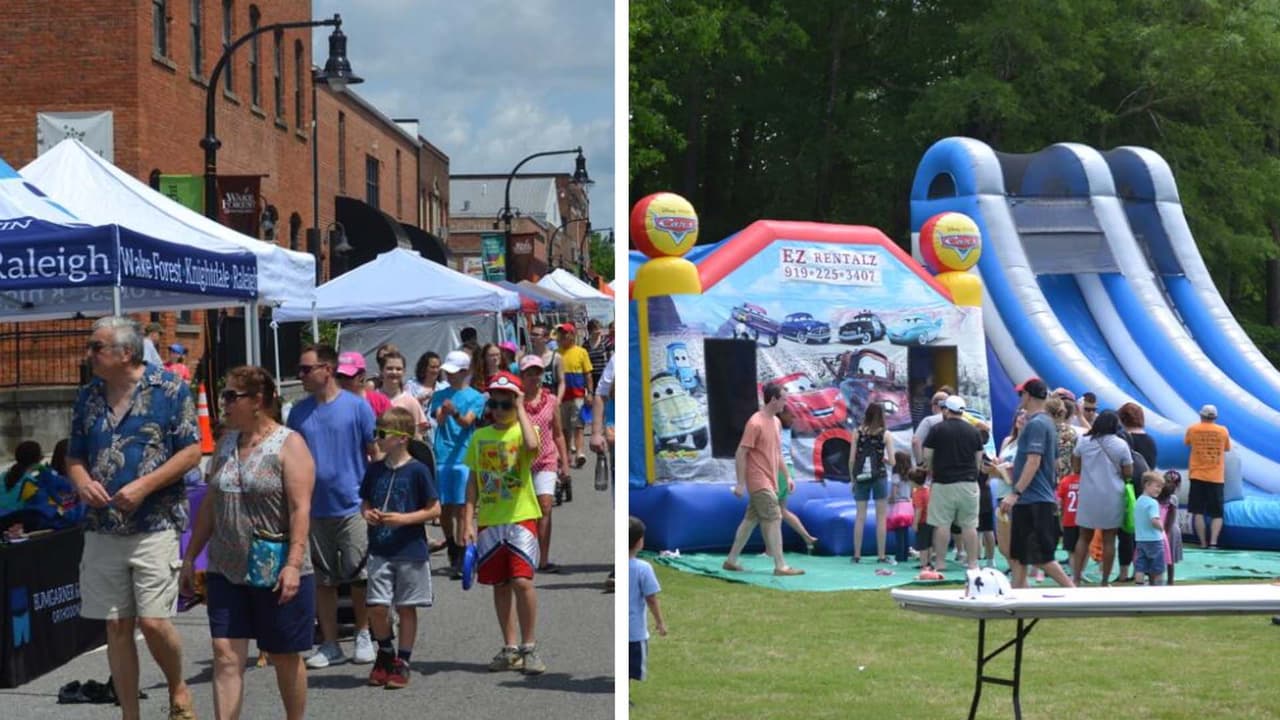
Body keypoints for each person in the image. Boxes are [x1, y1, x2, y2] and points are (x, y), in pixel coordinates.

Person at [68, 316, 200, 720]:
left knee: (154, 621)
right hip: (102, 526)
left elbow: (191, 452)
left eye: (96, 347)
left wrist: (145, 486)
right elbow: (74, 455)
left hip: (154, 523)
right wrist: (81, 482)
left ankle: (177, 686)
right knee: (116, 626)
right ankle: (130, 714)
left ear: (126, 353)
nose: (88, 353)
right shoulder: (88, 396)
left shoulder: (171, 389)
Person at [182, 366, 315, 720]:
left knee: (284, 656)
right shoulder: (225, 443)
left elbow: (301, 508)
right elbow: (210, 504)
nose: (221, 403)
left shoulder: (290, 444)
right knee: (224, 653)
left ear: (257, 401)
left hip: (278, 566)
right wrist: (191, 556)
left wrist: (293, 564)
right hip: (226, 568)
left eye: (229, 396)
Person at [287, 344, 378, 669]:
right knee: (322, 580)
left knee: (358, 575)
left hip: (353, 506)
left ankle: (363, 634)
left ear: (327, 369)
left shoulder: (357, 408)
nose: (301, 375)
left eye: (305, 369)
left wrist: (375, 499)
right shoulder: (298, 412)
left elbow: (375, 453)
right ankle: (329, 642)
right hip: (311, 509)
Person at [462, 371, 546, 675]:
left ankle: (530, 647)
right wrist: (468, 518)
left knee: (522, 582)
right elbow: (472, 482)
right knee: (499, 584)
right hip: (490, 520)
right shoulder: (480, 437)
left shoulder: (525, 429)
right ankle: (510, 647)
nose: (498, 409)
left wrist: (521, 407)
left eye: (505, 403)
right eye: (494, 403)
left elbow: (532, 447)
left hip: (520, 517)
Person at [359, 407, 441, 690]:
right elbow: (365, 500)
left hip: (410, 550)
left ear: (402, 438)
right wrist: (367, 512)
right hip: (379, 549)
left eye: (382, 434)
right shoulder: (375, 470)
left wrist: (404, 519)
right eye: (376, 433)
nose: (377, 438)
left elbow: (434, 509)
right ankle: (385, 651)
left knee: (406, 607)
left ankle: (403, 660)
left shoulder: (418, 470)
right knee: (377, 607)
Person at [998, 378, 1074, 589]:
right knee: (1020, 556)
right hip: (1036, 498)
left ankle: (1073, 592)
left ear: (1029, 395)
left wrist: (1016, 492)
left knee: (1042, 557)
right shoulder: (1045, 423)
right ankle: (1018, 598)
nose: (1019, 399)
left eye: (1021, 394)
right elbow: (1055, 462)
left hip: (1033, 500)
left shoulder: (1038, 424)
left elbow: (1034, 461)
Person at [721, 383, 804, 576]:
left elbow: (778, 453)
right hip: (758, 480)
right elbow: (741, 452)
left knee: (750, 519)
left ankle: (731, 560)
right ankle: (780, 565)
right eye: (783, 398)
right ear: (773, 399)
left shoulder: (775, 422)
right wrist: (741, 483)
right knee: (774, 517)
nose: (786, 402)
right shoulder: (755, 423)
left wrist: (787, 476)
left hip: (770, 478)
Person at [431, 350, 487, 578]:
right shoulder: (441, 395)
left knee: (464, 507)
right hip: (443, 456)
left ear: (465, 372)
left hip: (465, 457)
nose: (450, 376)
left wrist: (454, 412)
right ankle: (453, 546)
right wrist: (444, 411)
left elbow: (467, 422)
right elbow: (438, 418)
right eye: (448, 372)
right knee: (444, 510)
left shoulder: (476, 397)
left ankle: (464, 553)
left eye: (455, 372)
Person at [518, 355, 571, 572]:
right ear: (522, 376)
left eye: (537, 373)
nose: (534, 378)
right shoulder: (515, 402)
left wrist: (565, 463)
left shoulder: (550, 401)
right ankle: (524, 555)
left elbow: (558, 434)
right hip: (520, 462)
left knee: (546, 506)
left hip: (546, 459)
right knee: (524, 512)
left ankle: (544, 559)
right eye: (529, 374)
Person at [1070, 409, 1133, 586]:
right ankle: (1105, 580)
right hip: (1113, 495)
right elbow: (1128, 472)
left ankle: (1076, 577)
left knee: (1083, 537)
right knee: (1109, 539)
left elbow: (1075, 467)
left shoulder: (1084, 441)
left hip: (1089, 493)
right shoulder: (1121, 444)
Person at [921, 395, 983, 573]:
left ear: (946, 410)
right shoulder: (973, 431)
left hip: (943, 483)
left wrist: (931, 469)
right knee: (970, 525)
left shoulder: (937, 429)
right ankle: (972, 563)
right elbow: (978, 459)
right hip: (969, 483)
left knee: (942, 524)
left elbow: (927, 456)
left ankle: (940, 563)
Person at [850, 402, 895, 563]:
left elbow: (852, 459)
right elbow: (893, 462)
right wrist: (883, 459)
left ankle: (856, 555)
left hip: (861, 477)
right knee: (881, 517)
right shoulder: (886, 435)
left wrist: (852, 479)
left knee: (860, 516)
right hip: (879, 476)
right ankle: (881, 555)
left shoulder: (857, 433)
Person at [1184, 404, 1230, 549]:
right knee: (1217, 513)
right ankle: (1213, 542)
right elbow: (1227, 448)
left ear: (1201, 415)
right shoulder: (1223, 431)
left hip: (1197, 475)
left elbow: (1187, 443)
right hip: (1216, 476)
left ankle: (1202, 542)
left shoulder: (1193, 429)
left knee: (1198, 511)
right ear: (1215, 417)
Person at [629, 516, 666, 690]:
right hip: (634, 630)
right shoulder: (643, 568)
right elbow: (651, 598)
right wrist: (659, 621)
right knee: (630, 668)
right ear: (638, 542)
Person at [590, 355, 616, 592]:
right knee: (621, 502)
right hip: (618, 436)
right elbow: (601, 393)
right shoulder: (618, 358)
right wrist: (596, 431)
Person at [777, 405, 819, 552]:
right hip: (787, 469)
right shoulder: (785, 430)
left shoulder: (778, 429)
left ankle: (771, 549)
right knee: (781, 510)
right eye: (792, 416)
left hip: (780, 470)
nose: (793, 419)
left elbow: (778, 452)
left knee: (771, 512)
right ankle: (808, 538)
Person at [556, 322, 593, 468]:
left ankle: (579, 453)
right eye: (561, 333)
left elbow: (588, 374)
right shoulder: (556, 354)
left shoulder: (581, 352)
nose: (563, 336)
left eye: (566, 333)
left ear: (572, 335)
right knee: (565, 428)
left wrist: (589, 393)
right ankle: (567, 456)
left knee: (578, 425)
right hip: (562, 396)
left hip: (577, 395)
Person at [379, 350, 429, 437]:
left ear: (404, 371)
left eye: (398, 369)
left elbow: (417, 435)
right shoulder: (372, 399)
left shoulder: (410, 402)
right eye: (389, 368)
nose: (394, 372)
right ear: (381, 370)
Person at [1132, 472, 1166, 586]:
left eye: (1161, 487)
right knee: (1158, 567)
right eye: (1157, 486)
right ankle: (1159, 586)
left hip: (1141, 539)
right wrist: (1161, 527)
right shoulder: (1153, 503)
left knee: (1140, 565)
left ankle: (1139, 584)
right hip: (1154, 540)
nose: (1159, 490)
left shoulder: (1139, 500)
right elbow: (1154, 520)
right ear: (1147, 485)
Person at [336, 351, 391, 418]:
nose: (342, 380)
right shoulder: (328, 402)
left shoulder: (380, 402)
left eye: (347, 376)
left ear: (362, 376)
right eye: (338, 376)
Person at [1158, 470, 1183, 584]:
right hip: (1168, 529)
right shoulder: (1169, 498)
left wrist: (1166, 532)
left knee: (1169, 557)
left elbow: (1170, 519)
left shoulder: (1170, 499)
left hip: (1169, 529)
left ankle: (1169, 580)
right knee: (1169, 558)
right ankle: (1168, 580)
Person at [528, 323, 564, 400]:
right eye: (531, 334)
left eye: (536, 335)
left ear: (546, 338)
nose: (532, 338)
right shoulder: (527, 358)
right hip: (533, 401)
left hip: (550, 401)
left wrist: (558, 400)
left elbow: (562, 382)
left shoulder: (556, 357)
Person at [585, 319, 610, 392]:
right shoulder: (585, 345)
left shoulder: (606, 342)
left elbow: (611, 359)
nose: (598, 331)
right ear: (590, 331)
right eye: (595, 329)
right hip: (592, 378)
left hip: (605, 376)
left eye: (599, 328)